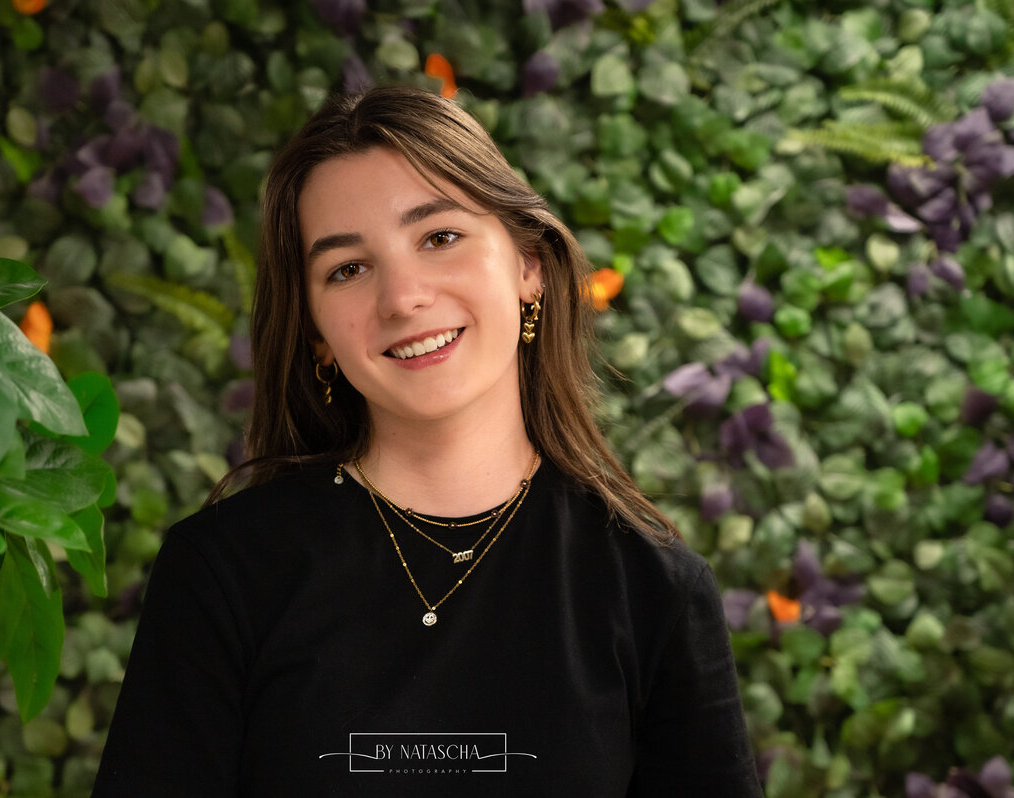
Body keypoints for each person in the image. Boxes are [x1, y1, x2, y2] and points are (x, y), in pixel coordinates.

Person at [93, 85, 762, 797]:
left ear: (528, 265)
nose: (403, 297)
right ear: (317, 333)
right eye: (347, 268)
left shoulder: (651, 586)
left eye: (439, 237)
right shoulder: (222, 572)